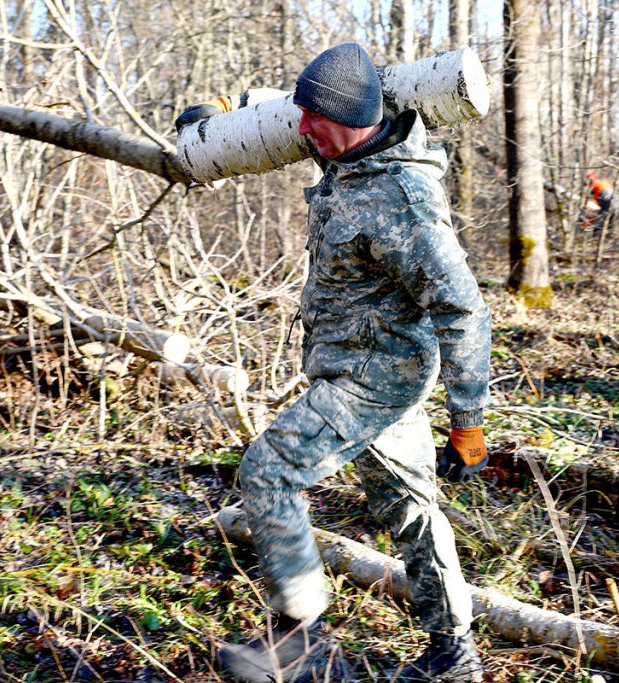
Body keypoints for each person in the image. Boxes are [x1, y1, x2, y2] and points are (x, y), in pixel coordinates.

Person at [176, 42, 491, 683]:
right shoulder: (345, 146)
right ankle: (452, 654)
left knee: (267, 473)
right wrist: (218, 120)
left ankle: (300, 646)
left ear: (348, 118)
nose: (300, 130)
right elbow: (279, 113)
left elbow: (464, 310)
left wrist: (469, 420)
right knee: (409, 509)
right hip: (366, 368)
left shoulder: (402, 200)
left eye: (311, 120)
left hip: (372, 379)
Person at [583, 170, 615, 236]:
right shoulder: (600, 183)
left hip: (606, 193)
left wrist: (584, 204)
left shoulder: (595, 184)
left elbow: (588, 194)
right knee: (606, 213)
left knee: (603, 213)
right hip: (610, 195)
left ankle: (597, 232)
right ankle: (608, 229)